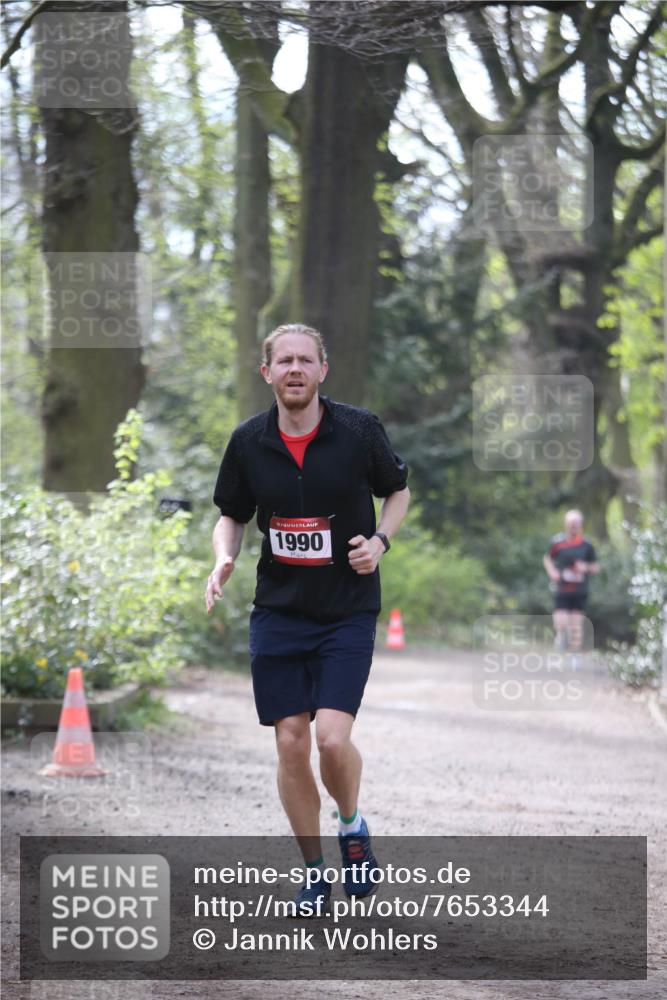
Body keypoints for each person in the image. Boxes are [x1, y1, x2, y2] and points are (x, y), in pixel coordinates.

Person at [205, 323, 410, 916]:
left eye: (305, 360)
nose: (294, 369)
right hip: (279, 611)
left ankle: (352, 824)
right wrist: (223, 558)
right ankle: (315, 874)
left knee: (331, 739)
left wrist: (379, 542)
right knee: (291, 743)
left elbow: (397, 491)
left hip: (346, 609)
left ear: (323, 369)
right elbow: (232, 514)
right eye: (283, 361)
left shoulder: (358, 431)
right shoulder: (249, 441)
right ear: (266, 372)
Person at [543, 509, 599, 667]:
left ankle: (574, 656)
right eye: (570, 524)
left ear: (581, 525)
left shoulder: (587, 545)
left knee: (576, 625)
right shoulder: (557, 542)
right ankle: (560, 646)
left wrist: (585, 567)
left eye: (576, 524)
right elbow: (547, 558)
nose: (573, 527)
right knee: (560, 622)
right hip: (562, 589)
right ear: (566, 524)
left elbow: (595, 567)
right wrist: (552, 572)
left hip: (580, 590)